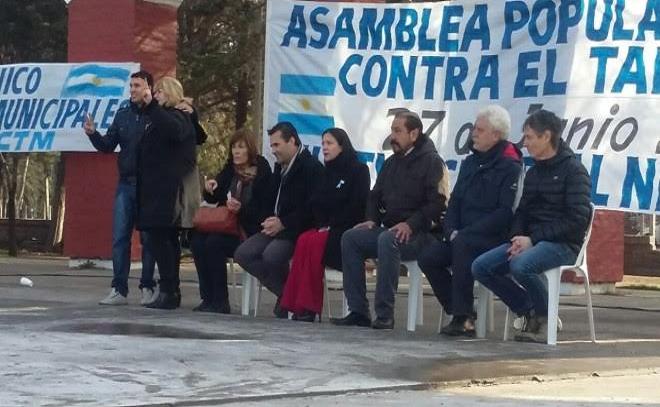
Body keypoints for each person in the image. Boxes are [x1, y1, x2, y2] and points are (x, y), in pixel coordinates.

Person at [472, 109, 592, 342]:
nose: (524, 143)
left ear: (546, 136)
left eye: (529, 137)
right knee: (481, 266)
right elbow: (523, 212)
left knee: (521, 265)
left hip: (564, 244)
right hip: (531, 241)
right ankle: (529, 309)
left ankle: (545, 320)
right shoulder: (534, 172)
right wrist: (518, 238)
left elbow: (577, 219)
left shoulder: (574, 171)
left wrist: (533, 239)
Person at [331, 111, 448, 330]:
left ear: (414, 134)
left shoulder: (432, 162)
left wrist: (410, 224)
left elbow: (438, 205)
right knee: (351, 238)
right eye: (392, 131)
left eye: (397, 131)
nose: (392, 136)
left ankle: (384, 314)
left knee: (388, 240)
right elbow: (374, 196)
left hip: (422, 234)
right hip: (391, 229)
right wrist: (371, 220)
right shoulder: (392, 162)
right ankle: (358, 311)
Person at [417, 105, 522, 337]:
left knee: (463, 246)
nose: (473, 133)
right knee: (428, 257)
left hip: (492, 238)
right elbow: (455, 202)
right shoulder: (470, 163)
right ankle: (459, 308)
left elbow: (505, 212)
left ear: (496, 135)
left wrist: (467, 233)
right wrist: (450, 229)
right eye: (475, 128)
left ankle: (463, 318)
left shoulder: (511, 167)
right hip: (461, 236)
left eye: (480, 130)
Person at [234, 121, 324, 318]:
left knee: (272, 255)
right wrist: (265, 218)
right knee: (243, 253)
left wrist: (283, 223)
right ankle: (286, 294)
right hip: (274, 227)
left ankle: (290, 298)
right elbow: (269, 201)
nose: (273, 150)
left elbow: (311, 209)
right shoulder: (279, 168)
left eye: (277, 145)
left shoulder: (311, 168)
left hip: (296, 230)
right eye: (272, 146)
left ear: (291, 141)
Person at [280, 128, 370, 322]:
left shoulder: (359, 170)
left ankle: (309, 307)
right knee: (304, 239)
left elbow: (357, 206)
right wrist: (323, 222)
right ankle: (295, 305)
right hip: (326, 226)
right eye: (323, 144)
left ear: (342, 146)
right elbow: (316, 203)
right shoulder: (326, 172)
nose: (325, 148)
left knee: (314, 243)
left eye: (329, 143)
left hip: (346, 229)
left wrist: (332, 223)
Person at [83, 70, 157, 306]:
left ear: (149, 88)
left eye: (137, 85)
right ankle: (119, 289)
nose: (132, 90)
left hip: (149, 186)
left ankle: (147, 287)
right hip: (125, 184)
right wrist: (93, 134)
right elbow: (108, 145)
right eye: (131, 85)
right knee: (120, 238)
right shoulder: (123, 113)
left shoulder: (157, 114)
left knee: (148, 239)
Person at [190, 129, 272, 313]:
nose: (236, 151)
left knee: (214, 243)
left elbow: (263, 211)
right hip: (228, 226)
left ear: (250, 149)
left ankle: (220, 301)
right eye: (234, 147)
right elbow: (215, 197)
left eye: (241, 147)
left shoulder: (262, 172)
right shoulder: (230, 169)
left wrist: (241, 209)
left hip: (249, 230)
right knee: (197, 241)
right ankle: (208, 297)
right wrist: (210, 189)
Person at [135, 76, 198, 310]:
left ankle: (169, 290)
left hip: (167, 190)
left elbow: (173, 130)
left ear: (169, 93)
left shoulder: (179, 116)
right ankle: (169, 289)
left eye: (159, 92)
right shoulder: (159, 117)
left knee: (162, 238)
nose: (156, 96)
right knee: (161, 238)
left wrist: (152, 106)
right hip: (155, 188)